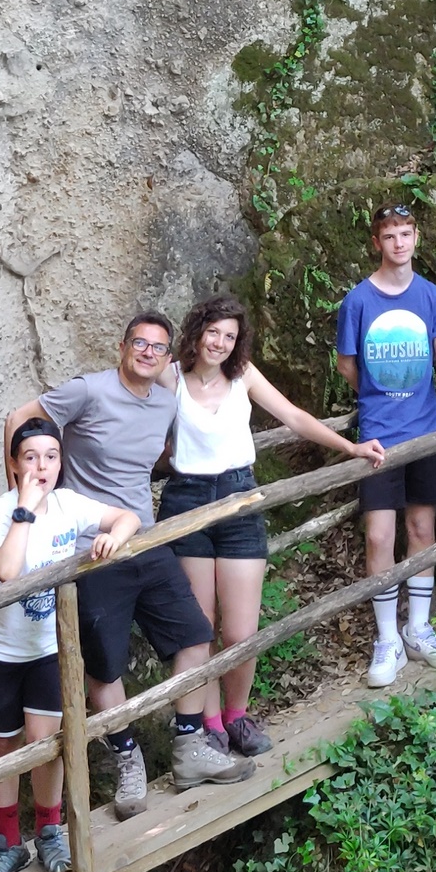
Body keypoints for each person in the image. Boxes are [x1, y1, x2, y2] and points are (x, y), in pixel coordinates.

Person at [4, 312, 254, 819]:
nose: (147, 352)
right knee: (104, 663)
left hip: (143, 537)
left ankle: (188, 748)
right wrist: (21, 495)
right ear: (122, 347)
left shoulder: (165, 401)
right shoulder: (88, 392)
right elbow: (20, 419)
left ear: (167, 358)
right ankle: (128, 760)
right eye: (139, 343)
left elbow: (156, 456)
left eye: (157, 348)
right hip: (91, 551)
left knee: (194, 636)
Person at [162, 296, 385, 755]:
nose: (220, 343)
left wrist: (352, 448)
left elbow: (294, 417)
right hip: (186, 501)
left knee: (240, 631)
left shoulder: (242, 373)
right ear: (197, 332)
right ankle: (208, 727)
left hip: (241, 498)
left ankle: (235, 715)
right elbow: (129, 422)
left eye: (229, 335)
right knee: (197, 630)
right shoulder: (171, 379)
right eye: (213, 332)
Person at [0, 418, 138, 872]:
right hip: (1, 650)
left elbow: (127, 517)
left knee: (46, 745)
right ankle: (7, 845)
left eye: (50, 456)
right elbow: (6, 569)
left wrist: (114, 536)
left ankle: (49, 831)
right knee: (2, 745)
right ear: (13, 464)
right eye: (30, 457)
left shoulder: (69, 505)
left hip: (48, 649)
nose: (41, 466)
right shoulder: (5, 512)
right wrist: (25, 506)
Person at [335, 204, 436, 687]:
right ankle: (387, 639)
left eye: (406, 233)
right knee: (378, 536)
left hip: (423, 431)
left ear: (416, 238)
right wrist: (378, 399)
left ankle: (418, 628)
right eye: (389, 235)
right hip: (377, 435)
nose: (399, 243)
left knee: (421, 527)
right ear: (377, 243)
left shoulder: (432, 297)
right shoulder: (358, 300)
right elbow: (348, 365)